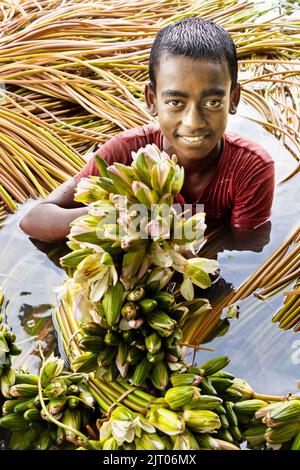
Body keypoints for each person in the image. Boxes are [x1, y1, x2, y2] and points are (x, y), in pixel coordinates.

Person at [19, 17, 275, 245]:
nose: (194, 121)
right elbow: (34, 220)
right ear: (152, 100)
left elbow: (245, 254)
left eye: (212, 103)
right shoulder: (126, 153)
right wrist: (124, 216)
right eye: (176, 102)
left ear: (234, 98)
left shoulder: (250, 169)